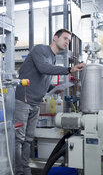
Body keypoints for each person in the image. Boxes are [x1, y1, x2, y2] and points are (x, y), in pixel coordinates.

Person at [14, 29, 86, 175]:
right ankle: (17, 171)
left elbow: (42, 79)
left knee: (28, 139)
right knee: (18, 139)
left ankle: (25, 171)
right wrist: (69, 69)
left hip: (35, 103)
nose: (67, 42)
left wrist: (54, 88)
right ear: (55, 38)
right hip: (22, 100)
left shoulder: (53, 58)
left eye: (69, 41)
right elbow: (43, 68)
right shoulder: (40, 49)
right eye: (65, 38)